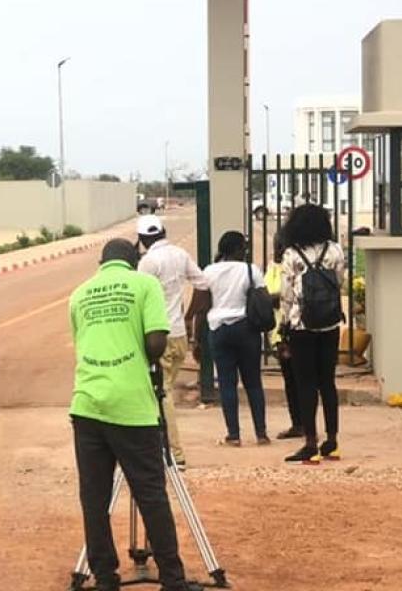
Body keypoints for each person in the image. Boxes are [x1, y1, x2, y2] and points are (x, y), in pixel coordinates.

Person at [69, 239, 191, 591]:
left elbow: (84, 344)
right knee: (151, 493)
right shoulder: (144, 284)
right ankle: (172, 577)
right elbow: (156, 343)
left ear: (100, 262)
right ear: (135, 260)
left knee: (94, 498)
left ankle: (105, 577)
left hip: (87, 404)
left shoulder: (80, 294)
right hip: (132, 405)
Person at [136, 214, 208, 467]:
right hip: (178, 334)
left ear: (143, 239)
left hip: (158, 336)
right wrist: (189, 317)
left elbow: (138, 300)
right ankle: (162, 450)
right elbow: (203, 284)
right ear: (163, 231)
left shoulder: (148, 262)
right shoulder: (180, 254)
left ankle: (173, 453)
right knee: (162, 391)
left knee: (161, 393)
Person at [279, 205, 348, 465]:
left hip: (301, 326)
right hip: (329, 324)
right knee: (327, 383)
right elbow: (338, 281)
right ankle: (332, 441)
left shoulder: (291, 254)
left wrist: (284, 325)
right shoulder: (335, 250)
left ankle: (310, 442)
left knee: (305, 384)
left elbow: (287, 294)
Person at [190, 231, 268, 448]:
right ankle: (261, 433)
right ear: (236, 249)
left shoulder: (209, 271)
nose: (245, 250)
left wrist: (197, 340)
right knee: (253, 382)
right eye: (243, 247)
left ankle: (233, 435)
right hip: (247, 329)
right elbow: (263, 298)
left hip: (219, 329)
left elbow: (202, 307)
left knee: (227, 384)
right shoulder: (251, 270)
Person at [265, 229, 302, 440]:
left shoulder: (293, 267)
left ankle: (302, 423)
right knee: (290, 381)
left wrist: (272, 297)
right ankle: (297, 422)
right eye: (276, 246)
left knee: (298, 380)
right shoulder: (273, 268)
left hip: (291, 329)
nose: (277, 250)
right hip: (278, 333)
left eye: (280, 246)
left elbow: (284, 296)